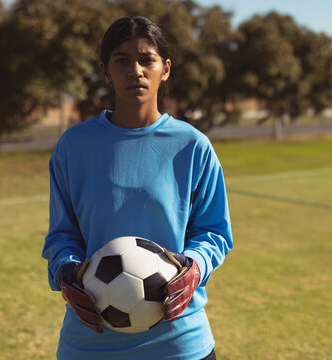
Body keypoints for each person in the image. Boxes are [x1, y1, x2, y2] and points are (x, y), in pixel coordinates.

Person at [42, 15, 233, 360]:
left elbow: (215, 232)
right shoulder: (74, 146)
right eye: (122, 60)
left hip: (179, 341)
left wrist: (196, 266)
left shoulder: (193, 146)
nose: (136, 70)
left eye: (147, 59)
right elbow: (61, 235)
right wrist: (67, 272)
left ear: (166, 68)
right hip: (91, 341)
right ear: (104, 70)